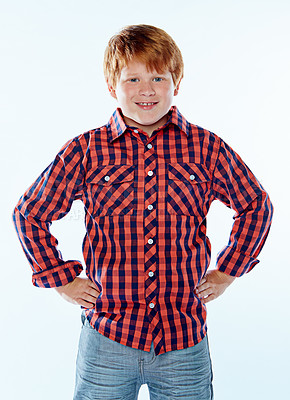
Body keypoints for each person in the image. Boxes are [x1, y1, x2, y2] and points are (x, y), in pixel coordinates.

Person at [12, 24, 273, 400]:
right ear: (111, 86)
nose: (146, 90)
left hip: (183, 341)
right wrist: (60, 279)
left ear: (176, 83)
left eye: (158, 77)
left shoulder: (206, 148)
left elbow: (255, 205)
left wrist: (229, 271)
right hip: (107, 338)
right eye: (132, 78)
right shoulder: (87, 150)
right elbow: (30, 213)